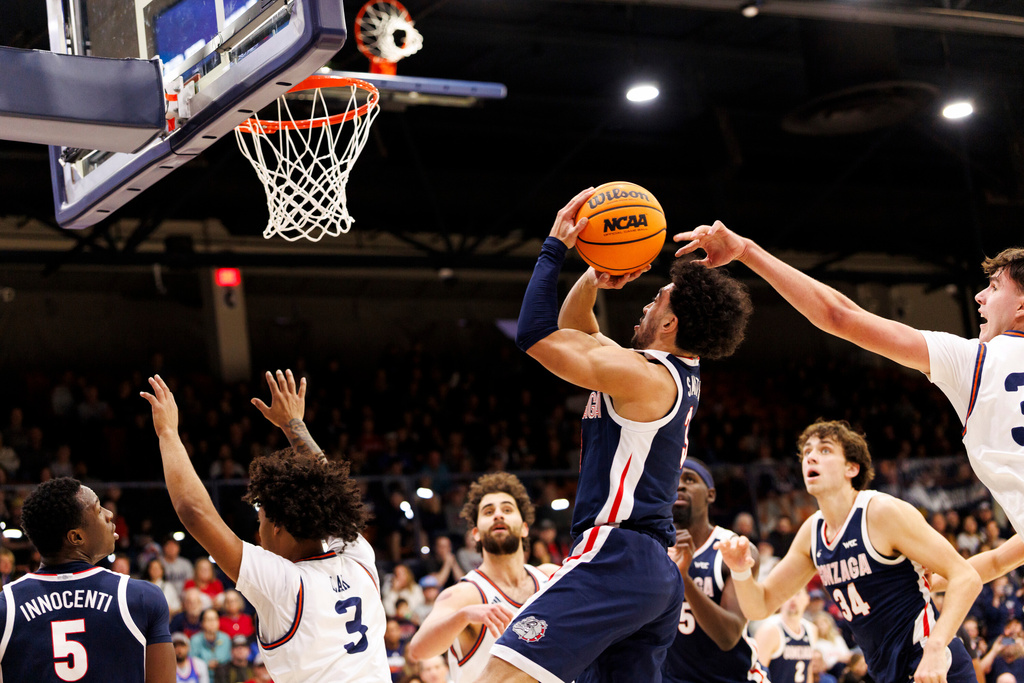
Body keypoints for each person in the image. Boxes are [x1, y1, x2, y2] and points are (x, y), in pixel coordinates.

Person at [478, 188, 753, 683]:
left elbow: (536, 334)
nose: (645, 306)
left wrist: (557, 246)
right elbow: (575, 325)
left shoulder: (643, 376)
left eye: (655, 301)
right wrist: (594, 274)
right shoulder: (665, 372)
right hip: (652, 574)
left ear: (669, 323)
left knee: (499, 674)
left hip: (616, 555)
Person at [675, 223, 1024, 573]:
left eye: (994, 287)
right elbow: (999, 559)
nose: (979, 296)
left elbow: (838, 315)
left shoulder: (974, 360)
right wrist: (953, 577)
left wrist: (748, 252)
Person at [142, 369, 389, 682]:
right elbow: (332, 492)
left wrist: (167, 433)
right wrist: (293, 424)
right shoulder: (360, 559)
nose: (257, 536)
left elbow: (194, 512)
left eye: (260, 522)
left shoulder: (284, 584)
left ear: (277, 528)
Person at [717, 420, 983, 683]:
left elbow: (966, 577)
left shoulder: (881, 513)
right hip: (887, 674)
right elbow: (760, 606)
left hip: (930, 663)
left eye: (824, 450)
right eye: (807, 452)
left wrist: (936, 647)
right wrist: (741, 572)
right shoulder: (812, 532)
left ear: (852, 468)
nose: (810, 457)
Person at [0, 477, 174, 682]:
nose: (110, 515)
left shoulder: (6, 607)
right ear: (76, 538)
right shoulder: (142, 598)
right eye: (99, 510)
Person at [407, 472, 557, 681]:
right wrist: (463, 616)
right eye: (488, 512)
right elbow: (417, 650)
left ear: (524, 528)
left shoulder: (550, 577)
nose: (498, 515)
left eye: (507, 509)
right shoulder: (465, 594)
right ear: (476, 533)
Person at [662, 460, 766, 683]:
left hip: (730, 677)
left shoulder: (734, 549)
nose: (679, 486)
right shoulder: (653, 550)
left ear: (710, 495)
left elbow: (728, 636)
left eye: (689, 480)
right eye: (673, 480)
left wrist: (685, 581)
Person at [755, 589, 817, 683]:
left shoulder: (811, 629)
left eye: (797, 594)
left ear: (807, 599)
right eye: (788, 594)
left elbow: (808, 671)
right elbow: (756, 675)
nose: (792, 598)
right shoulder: (769, 630)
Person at [191, 607, 232, 672]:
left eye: (215, 619)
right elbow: (192, 662)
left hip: (222, 676)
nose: (212, 623)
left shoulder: (225, 639)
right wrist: (207, 664)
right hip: (201, 675)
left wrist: (219, 664)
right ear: (202, 623)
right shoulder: (195, 640)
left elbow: (229, 660)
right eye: (208, 620)